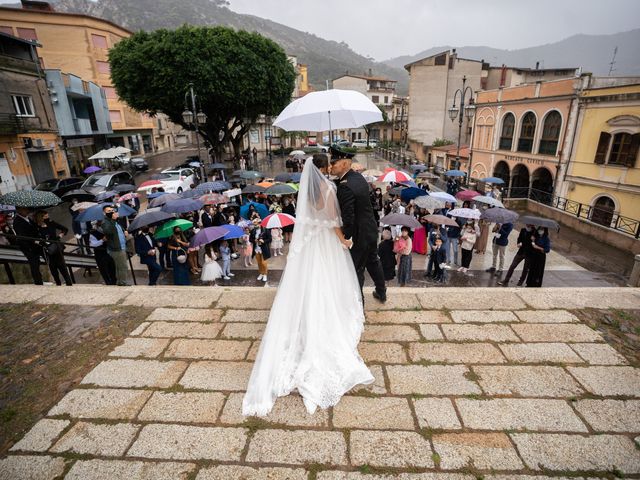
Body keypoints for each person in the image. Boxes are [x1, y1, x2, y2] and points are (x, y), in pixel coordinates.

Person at [243, 155, 374, 417]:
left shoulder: (307, 189)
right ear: (325, 168)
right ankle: (324, 325)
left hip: (309, 246)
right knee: (329, 284)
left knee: (309, 285)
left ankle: (304, 323)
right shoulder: (327, 188)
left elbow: (310, 219)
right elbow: (332, 221)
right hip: (326, 243)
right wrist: (344, 240)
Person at [330, 154, 387, 303]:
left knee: (356, 269)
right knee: (373, 261)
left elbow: (348, 217)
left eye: (334, 162)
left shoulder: (345, 186)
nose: (331, 166)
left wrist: (345, 237)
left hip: (359, 234)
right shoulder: (358, 177)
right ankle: (381, 292)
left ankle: (358, 305)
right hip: (370, 228)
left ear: (344, 164)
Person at [35, 210, 72, 286]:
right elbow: (36, 239)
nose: (47, 217)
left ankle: (68, 282)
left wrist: (59, 236)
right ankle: (58, 283)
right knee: (53, 267)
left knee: (62, 266)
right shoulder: (37, 227)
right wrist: (43, 243)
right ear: (40, 218)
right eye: (45, 216)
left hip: (56, 247)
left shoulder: (51, 223)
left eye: (47, 216)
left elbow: (65, 229)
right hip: (47, 250)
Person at [12, 207, 43, 285]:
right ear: (19, 210)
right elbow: (23, 236)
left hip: (36, 245)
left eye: (27, 209)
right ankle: (38, 282)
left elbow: (34, 228)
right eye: (24, 209)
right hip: (28, 246)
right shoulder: (17, 221)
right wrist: (34, 241)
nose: (27, 211)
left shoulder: (28, 218)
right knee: (34, 264)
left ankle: (40, 280)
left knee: (37, 262)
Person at [101, 205, 130, 286]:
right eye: (108, 211)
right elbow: (108, 231)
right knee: (123, 267)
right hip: (116, 249)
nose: (111, 212)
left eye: (112, 210)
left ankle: (120, 282)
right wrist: (113, 220)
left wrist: (124, 231)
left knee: (119, 267)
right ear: (104, 213)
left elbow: (119, 229)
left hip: (121, 247)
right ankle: (123, 282)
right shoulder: (105, 222)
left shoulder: (114, 221)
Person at [89, 221, 116, 285]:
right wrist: (102, 240)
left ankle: (114, 282)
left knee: (112, 269)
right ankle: (108, 283)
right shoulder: (93, 233)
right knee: (104, 271)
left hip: (109, 253)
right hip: (100, 255)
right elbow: (93, 245)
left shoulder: (108, 231)